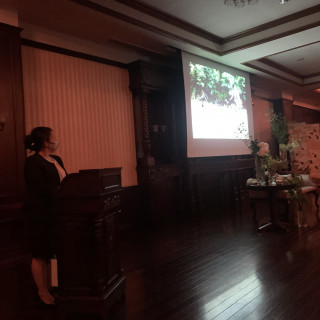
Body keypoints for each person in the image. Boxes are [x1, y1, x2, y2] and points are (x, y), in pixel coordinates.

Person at [23, 126, 67, 306]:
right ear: (45, 141)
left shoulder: (56, 159)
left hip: (56, 212)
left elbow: (66, 181)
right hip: (40, 214)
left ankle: (50, 287)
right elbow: (40, 188)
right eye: (53, 137)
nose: (56, 139)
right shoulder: (32, 162)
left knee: (50, 251)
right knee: (40, 253)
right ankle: (42, 291)